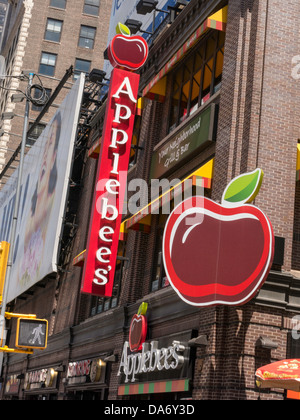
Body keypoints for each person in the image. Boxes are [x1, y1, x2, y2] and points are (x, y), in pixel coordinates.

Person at [19, 111, 61, 286]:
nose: (44, 155)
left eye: (50, 143)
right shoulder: (30, 208)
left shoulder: (52, 206)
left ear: (54, 156)